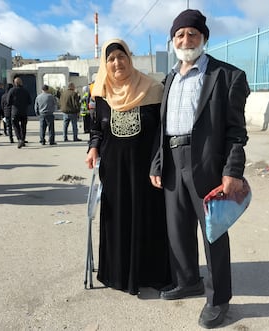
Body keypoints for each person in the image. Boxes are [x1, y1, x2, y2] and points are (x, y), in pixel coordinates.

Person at [149, 9, 249, 329]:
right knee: (177, 229)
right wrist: (157, 162)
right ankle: (187, 280)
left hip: (207, 162)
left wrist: (232, 171)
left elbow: (236, 131)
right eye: (179, 35)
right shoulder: (169, 80)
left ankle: (218, 298)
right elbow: (161, 128)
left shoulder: (227, 76)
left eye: (192, 34)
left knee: (213, 233)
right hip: (172, 161)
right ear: (172, 41)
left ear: (204, 38)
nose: (186, 39)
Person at [85, 38, 171, 295]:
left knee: (148, 217)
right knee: (118, 219)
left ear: (129, 58)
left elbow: (162, 130)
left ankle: (151, 274)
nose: (116, 63)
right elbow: (96, 128)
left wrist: (159, 163)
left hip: (145, 170)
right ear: (105, 63)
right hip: (114, 171)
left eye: (121, 57)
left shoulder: (153, 89)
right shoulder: (100, 93)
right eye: (110, 59)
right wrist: (93, 146)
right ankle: (119, 274)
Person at [8, 77, 32, 149]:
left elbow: (8, 101)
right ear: (21, 83)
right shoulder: (25, 91)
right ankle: (23, 139)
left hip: (15, 111)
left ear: (15, 83)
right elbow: (30, 101)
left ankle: (19, 139)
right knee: (23, 127)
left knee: (16, 126)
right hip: (24, 111)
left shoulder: (12, 90)